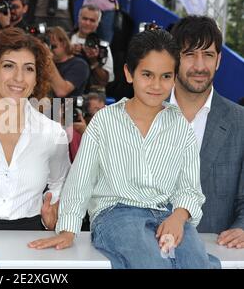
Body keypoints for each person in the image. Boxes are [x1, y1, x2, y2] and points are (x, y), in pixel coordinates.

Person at [29, 29, 220, 269]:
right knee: (150, 262)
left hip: (168, 213)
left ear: (174, 78)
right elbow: (81, 180)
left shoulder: (180, 126)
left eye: (165, 76)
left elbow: (190, 188)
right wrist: (68, 229)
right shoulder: (104, 121)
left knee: (197, 262)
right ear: (129, 74)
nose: (156, 85)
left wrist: (179, 217)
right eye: (147, 74)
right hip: (117, 214)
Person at [0, 27, 71, 230]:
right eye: (9, 66)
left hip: (32, 242)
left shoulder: (53, 133)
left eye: (29, 69)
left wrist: (52, 216)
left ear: (37, 77)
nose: (19, 78)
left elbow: (59, 183)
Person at [169, 15, 244, 248]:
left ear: (219, 60)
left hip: (215, 254)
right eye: (190, 54)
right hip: (146, 254)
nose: (200, 66)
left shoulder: (240, 122)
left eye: (208, 55)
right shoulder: (143, 115)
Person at [71, 5, 114, 90]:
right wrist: (68, 52)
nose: (87, 23)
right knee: (56, 100)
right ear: (78, 18)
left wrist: (94, 61)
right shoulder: (65, 41)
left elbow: (104, 82)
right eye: (85, 19)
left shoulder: (103, 47)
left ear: (98, 23)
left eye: (92, 20)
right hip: (66, 92)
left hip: (92, 95)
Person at [48, 26, 90, 99]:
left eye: (53, 46)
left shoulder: (79, 64)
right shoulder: (41, 63)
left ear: (64, 43)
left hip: (67, 108)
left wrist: (47, 59)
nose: (49, 50)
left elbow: (61, 91)